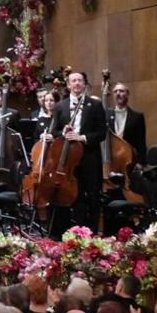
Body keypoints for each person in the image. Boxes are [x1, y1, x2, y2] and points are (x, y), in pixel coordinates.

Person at [45, 71, 107, 230]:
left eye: (80, 80)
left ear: (84, 84)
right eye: (74, 81)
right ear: (68, 85)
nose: (77, 83)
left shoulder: (95, 105)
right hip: (67, 158)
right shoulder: (60, 106)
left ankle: (92, 232)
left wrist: (81, 138)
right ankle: (74, 230)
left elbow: (102, 133)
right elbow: (54, 131)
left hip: (89, 156)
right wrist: (63, 133)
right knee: (73, 196)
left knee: (92, 195)